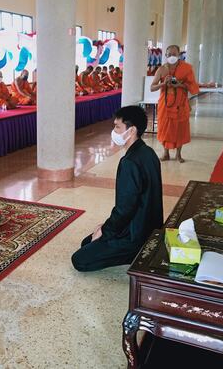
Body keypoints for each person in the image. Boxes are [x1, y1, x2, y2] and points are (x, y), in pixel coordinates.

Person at [71, 106, 163, 272]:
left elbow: (125, 209)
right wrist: (105, 227)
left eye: (117, 127)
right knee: (87, 242)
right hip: (149, 227)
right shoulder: (148, 152)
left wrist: (106, 230)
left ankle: (134, 254)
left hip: (135, 234)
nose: (114, 132)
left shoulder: (130, 162)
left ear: (131, 130)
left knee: (79, 260)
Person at [151, 45, 199, 163]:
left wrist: (179, 84)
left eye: (174, 54)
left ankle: (178, 154)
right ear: (165, 55)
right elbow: (152, 87)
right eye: (169, 54)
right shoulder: (161, 69)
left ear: (179, 55)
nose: (172, 56)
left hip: (180, 103)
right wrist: (163, 84)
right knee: (165, 128)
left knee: (180, 128)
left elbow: (192, 86)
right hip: (165, 104)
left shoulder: (186, 68)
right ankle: (166, 153)